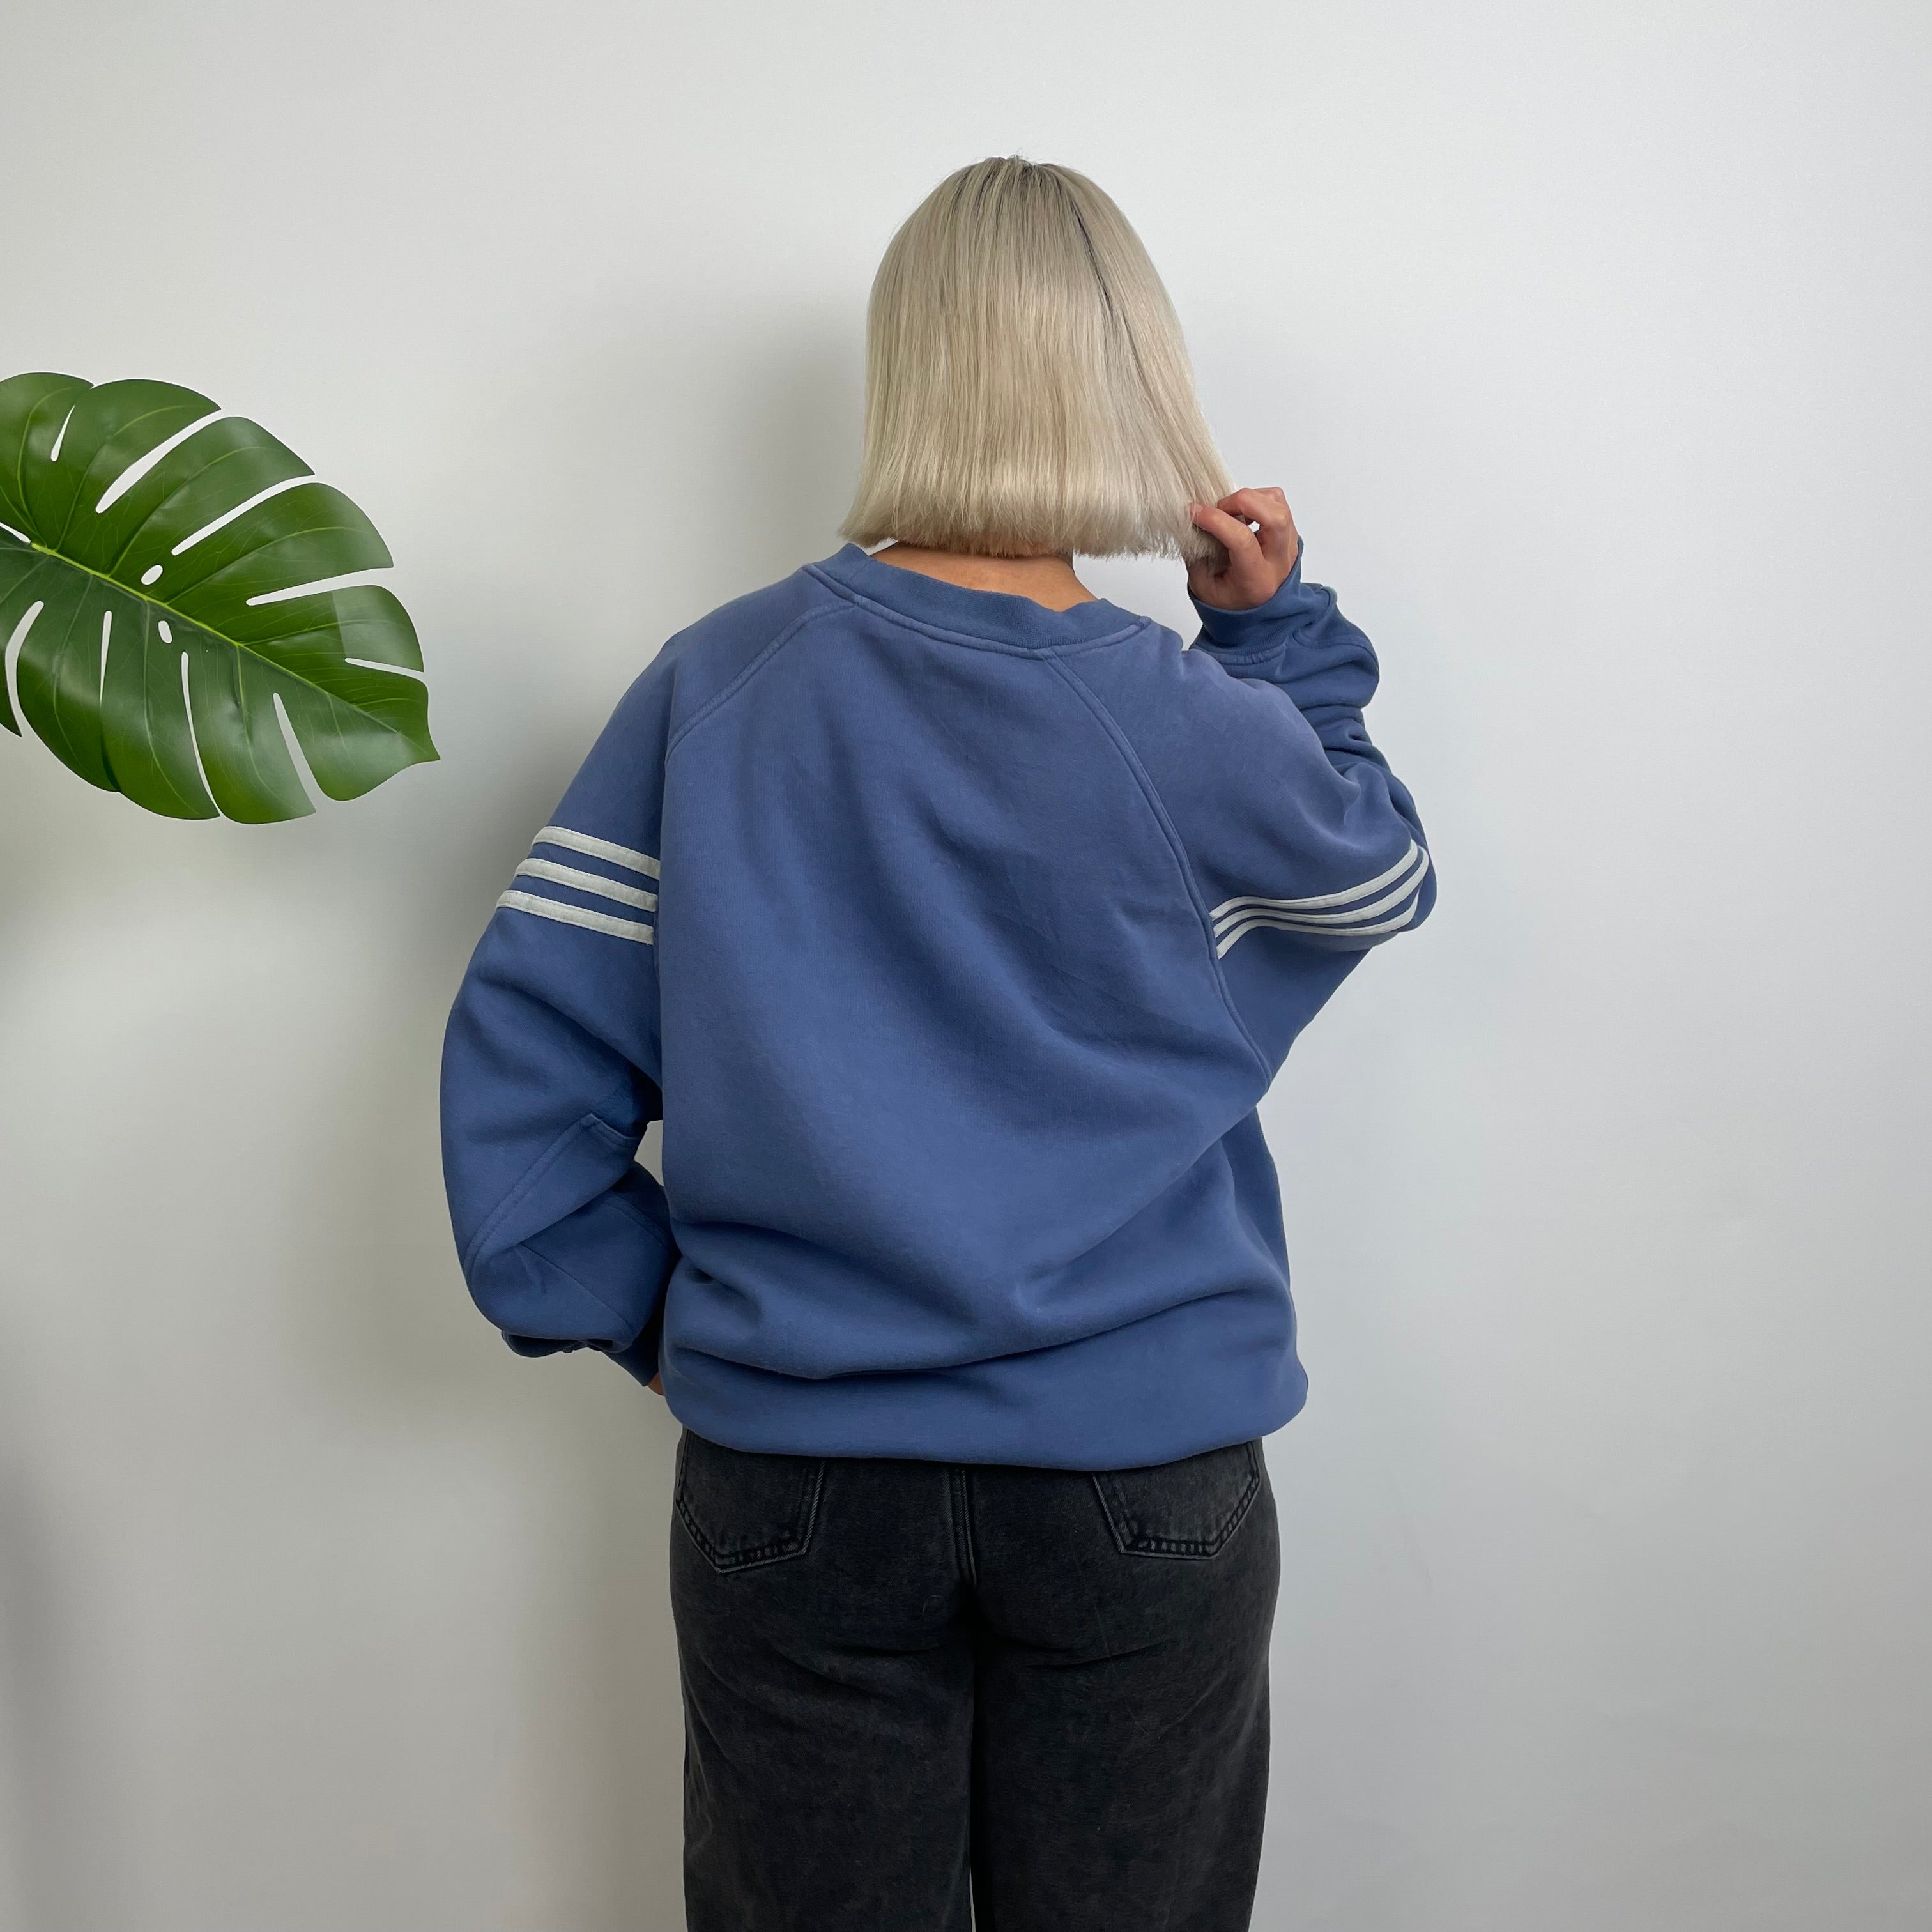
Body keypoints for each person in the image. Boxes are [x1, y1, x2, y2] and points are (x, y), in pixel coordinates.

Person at [439, 155, 1434, 1932]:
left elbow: (526, 1086)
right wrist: (1274, 633)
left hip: (801, 1486)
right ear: (1127, 379)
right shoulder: (1186, 717)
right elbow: (1375, 873)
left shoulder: (716, 688)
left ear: (913, 370)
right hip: (1146, 1484)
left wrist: (648, 1312)